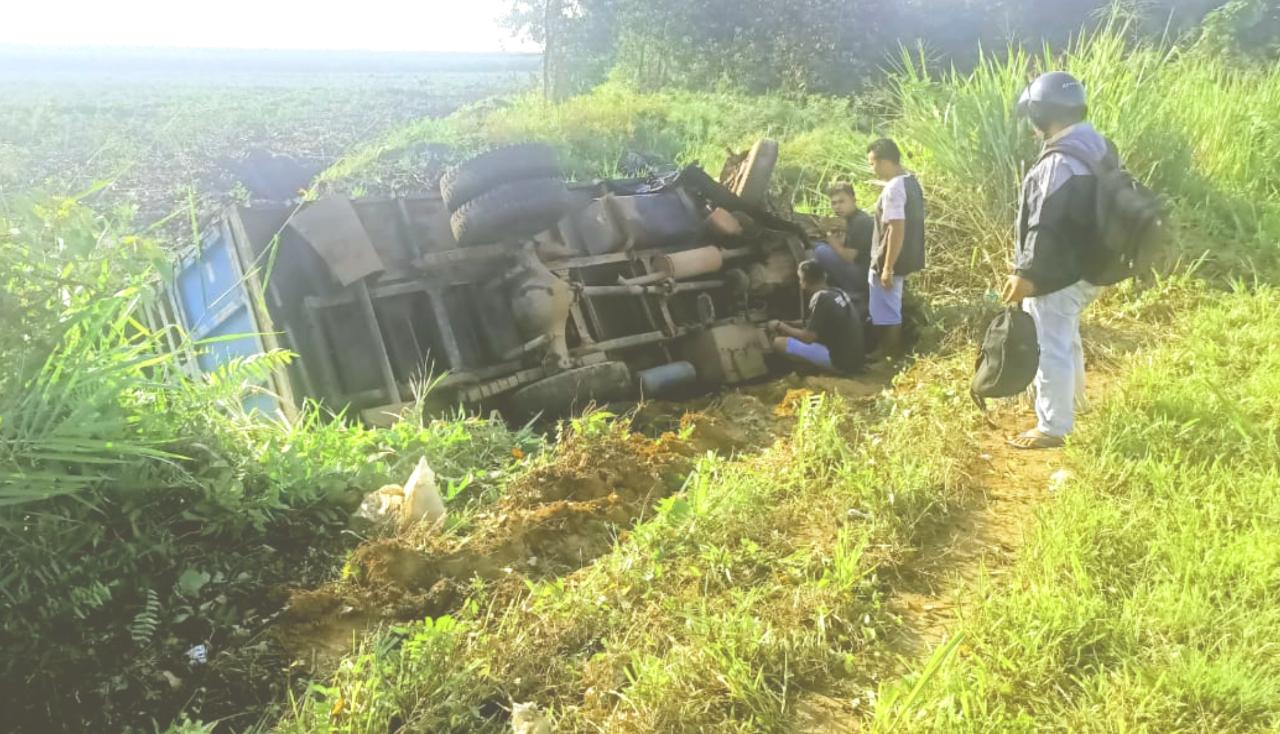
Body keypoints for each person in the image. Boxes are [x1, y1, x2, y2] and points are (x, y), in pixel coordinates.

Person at [1002, 71, 1115, 450]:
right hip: (1091, 267)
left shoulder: (1058, 162)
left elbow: (1043, 224)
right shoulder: (1098, 146)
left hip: (1060, 272)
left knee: (1050, 345)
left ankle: (1053, 426)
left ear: (1041, 114)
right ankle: (1074, 403)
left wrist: (1027, 274)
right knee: (1066, 339)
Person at [866, 138, 926, 361]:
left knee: (887, 310)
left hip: (889, 257)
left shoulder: (894, 188)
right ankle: (888, 352)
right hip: (904, 256)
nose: (872, 168)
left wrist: (887, 267)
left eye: (872, 163)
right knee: (890, 305)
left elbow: (896, 228)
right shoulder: (910, 180)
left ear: (883, 162)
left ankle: (887, 355)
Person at [768, 260, 865, 375]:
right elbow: (818, 322)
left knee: (778, 343)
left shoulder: (821, 298)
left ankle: (816, 370)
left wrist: (781, 326)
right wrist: (790, 323)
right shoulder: (837, 292)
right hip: (856, 360)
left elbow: (808, 337)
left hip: (841, 363)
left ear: (804, 281)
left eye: (800, 279)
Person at [813, 182, 873, 305]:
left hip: (863, 276)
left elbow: (849, 257)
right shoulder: (852, 219)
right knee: (820, 246)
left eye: (841, 202)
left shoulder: (861, 222)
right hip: (862, 271)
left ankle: (852, 291)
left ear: (853, 200)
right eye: (834, 203)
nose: (837, 207)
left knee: (820, 250)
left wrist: (828, 233)